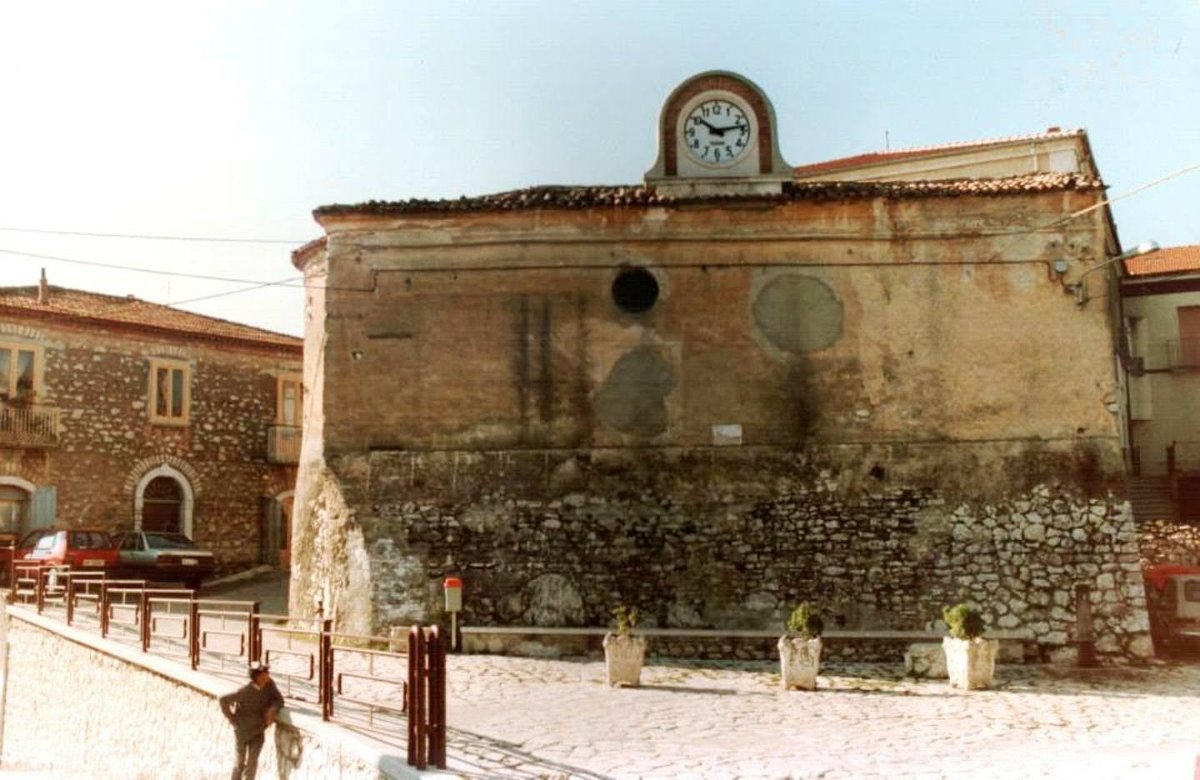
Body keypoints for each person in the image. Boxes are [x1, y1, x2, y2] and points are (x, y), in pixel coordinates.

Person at [219, 661, 284, 780]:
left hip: (258, 732)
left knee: (252, 764)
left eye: (267, 672)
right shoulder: (245, 692)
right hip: (242, 732)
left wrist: (273, 709)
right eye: (264, 673)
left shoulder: (270, 685)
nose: (267, 675)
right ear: (257, 677)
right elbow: (223, 700)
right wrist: (232, 719)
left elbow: (279, 700)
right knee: (240, 763)